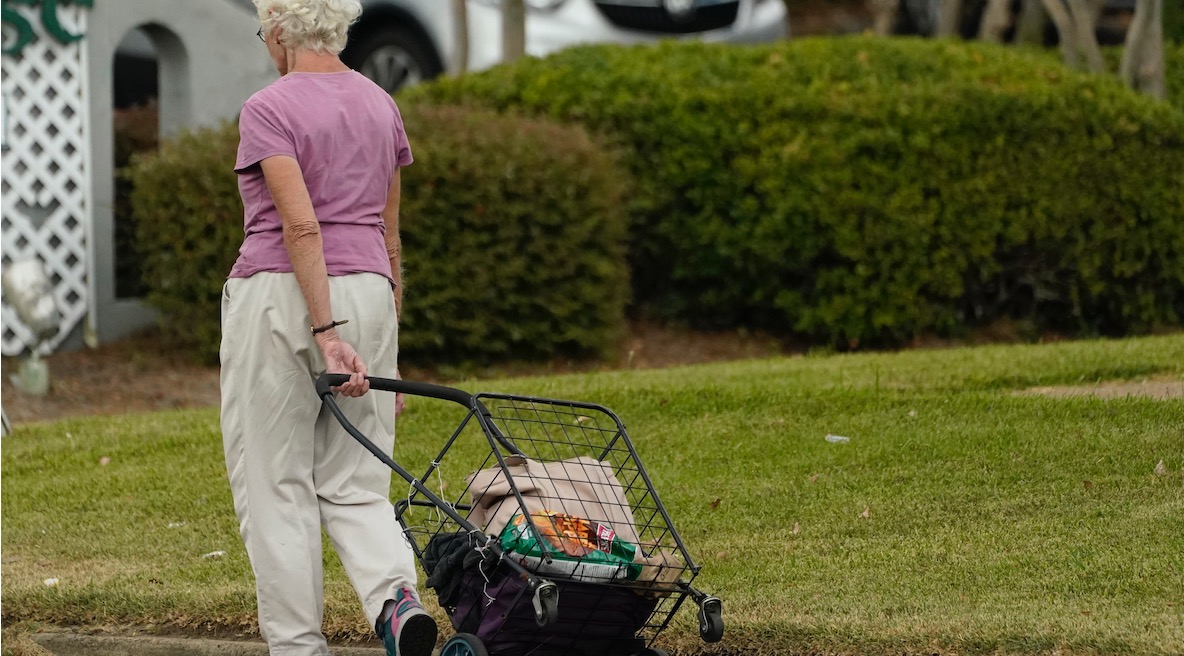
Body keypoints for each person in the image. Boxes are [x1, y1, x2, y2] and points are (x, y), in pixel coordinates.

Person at [219, 1, 437, 655]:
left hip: (285, 298)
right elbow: (389, 233)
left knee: (277, 482)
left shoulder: (270, 108)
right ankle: (396, 603)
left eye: (264, 30)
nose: (266, 42)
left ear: (281, 27)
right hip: (371, 290)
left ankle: (297, 647)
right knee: (357, 480)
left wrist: (326, 331)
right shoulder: (381, 104)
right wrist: (381, 325)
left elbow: (301, 226)